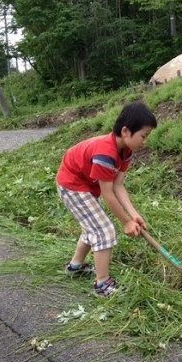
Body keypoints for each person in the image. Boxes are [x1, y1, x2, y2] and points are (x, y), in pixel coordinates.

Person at [56, 101, 157, 298]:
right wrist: (126, 222)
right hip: (72, 184)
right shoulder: (105, 153)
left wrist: (134, 215)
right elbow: (108, 194)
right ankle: (102, 284)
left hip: (86, 184)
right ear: (126, 131)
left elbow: (118, 186)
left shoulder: (126, 151)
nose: (145, 141)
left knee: (92, 226)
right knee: (104, 229)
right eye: (143, 136)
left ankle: (74, 266)